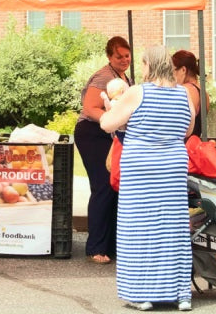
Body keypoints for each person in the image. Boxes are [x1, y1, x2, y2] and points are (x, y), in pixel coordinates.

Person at [101, 45, 195, 311]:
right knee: (172, 229)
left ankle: (143, 294)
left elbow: (108, 124)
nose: (140, 70)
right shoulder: (184, 95)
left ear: (150, 66)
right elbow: (186, 130)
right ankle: (180, 293)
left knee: (139, 229)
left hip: (141, 170)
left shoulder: (137, 92)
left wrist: (110, 110)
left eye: (142, 65)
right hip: (172, 169)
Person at [74, 36, 133, 265]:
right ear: (109, 56)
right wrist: (111, 119)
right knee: (103, 186)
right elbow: (89, 108)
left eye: (127, 56)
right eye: (119, 56)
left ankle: (110, 244)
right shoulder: (103, 76)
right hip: (92, 133)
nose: (124, 60)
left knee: (114, 186)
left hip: (109, 135)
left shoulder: (123, 77)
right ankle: (96, 247)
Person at [172, 50, 209, 137]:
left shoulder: (186, 90)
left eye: (173, 71)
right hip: (194, 144)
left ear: (183, 70)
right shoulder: (203, 92)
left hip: (184, 146)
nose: (172, 76)